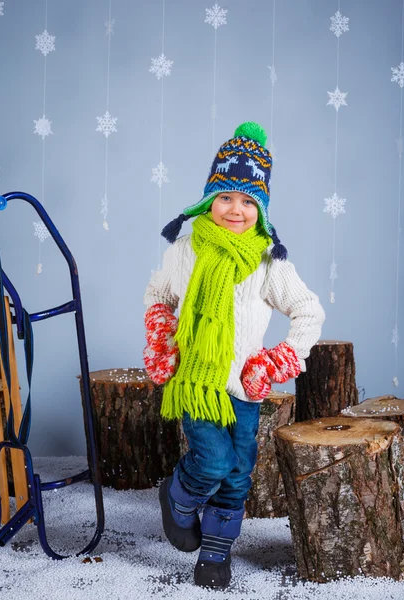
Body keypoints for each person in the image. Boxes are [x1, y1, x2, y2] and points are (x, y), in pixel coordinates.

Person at [143, 122, 325, 588]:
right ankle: (179, 496)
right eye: (226, 197)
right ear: (209, 198)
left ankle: (215, 555)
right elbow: (158, 295)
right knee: (213, 462)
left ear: (260, 207)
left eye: (248, 201)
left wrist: (272, 361)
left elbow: (308, 311)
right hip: (196, 383)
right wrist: (163, 338)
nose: (236, 210)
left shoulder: (268, 261)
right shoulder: (184, 251)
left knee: (238, 473)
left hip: (243, 387)